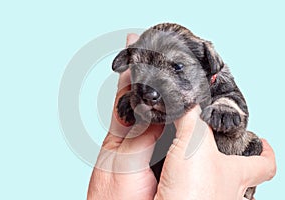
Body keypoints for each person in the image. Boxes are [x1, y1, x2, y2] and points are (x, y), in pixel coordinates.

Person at [87, 34, 276, 200]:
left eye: (177, 67)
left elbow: (236, 109)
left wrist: (226, 107)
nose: (150, 91)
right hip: (163, 174)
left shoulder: (218, 80)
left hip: (228, 159)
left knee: (253, 143)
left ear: (207, 64)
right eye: (138, 68)